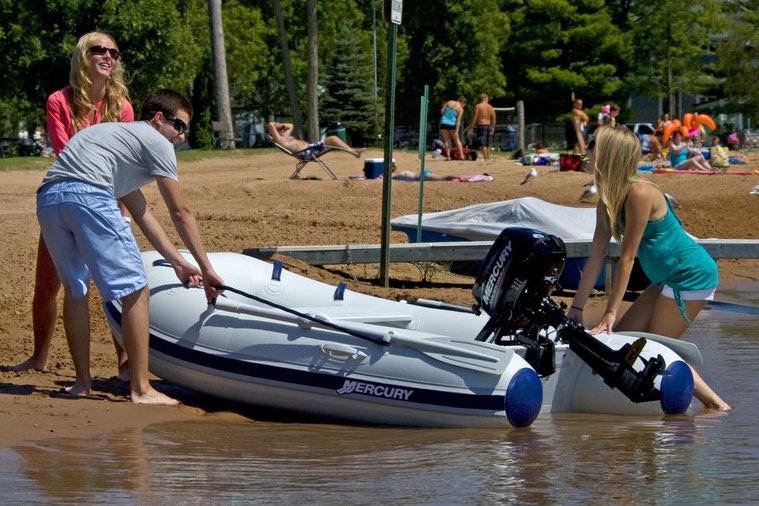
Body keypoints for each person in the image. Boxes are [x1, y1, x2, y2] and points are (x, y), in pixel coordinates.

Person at [35, 89, 224, 404]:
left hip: (49, 197)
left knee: (76, 289)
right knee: (135, 288)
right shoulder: (156, 142)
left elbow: (141, 212)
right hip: (87, 194)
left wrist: (178, 262)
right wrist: (207, 268)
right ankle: (141, 388)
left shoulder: (117, 139)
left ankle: (82, 385)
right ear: (159, 118)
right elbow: (180, 212)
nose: (181, 135)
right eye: (179, 126)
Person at [567, 126, 730, 411]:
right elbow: (596, 256)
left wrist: (609, 313)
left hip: (689, 275)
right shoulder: (607, 200)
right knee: (623, 343)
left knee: (659, 350)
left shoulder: (640, 192)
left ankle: (717, 406)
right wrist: (577, 309)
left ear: (607, 154)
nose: (586, 152)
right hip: (666, 278)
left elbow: (627, 258)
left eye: (592, 146)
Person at [11, 32, 134, 376]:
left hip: (107, 201)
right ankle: (39, 357)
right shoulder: (58, 102)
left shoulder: (121, 105)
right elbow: (65, 154)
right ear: (83, 56)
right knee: (46, 285)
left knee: (115, 286)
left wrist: (121, 209)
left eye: (113, 51)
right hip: (64, 198)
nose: (108, 56)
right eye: (99, 49)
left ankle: (124, 363)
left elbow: (124, 161)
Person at [266, 122, 362, 158]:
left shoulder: (285, 136)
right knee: (332, 139)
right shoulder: (279, 140)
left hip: (311, 148)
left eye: (283, 129)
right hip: (307, 152)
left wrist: (281, 126)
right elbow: (270, 124)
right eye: (280, 130)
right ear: (275, 133)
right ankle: (354, 152)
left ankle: (354, 152)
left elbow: (291, 125)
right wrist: (277, 126)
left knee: (333, 138)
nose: (283, 130)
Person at [469, 94, 496, 161]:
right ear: (486, 98)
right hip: (488, 125)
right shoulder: (490, 107)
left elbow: (475, 116)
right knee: (488, 143)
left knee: (482, 143)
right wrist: (493, 127)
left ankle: (485, 158)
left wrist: (472, 126)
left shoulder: (478, 106)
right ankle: (488, 158)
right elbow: (494, 118)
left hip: (481, 125)